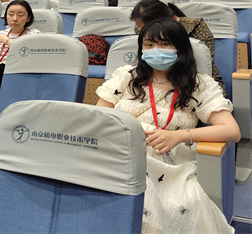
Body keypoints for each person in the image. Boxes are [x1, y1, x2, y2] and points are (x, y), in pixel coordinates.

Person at [96, 19, 239, 234]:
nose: (156, 50)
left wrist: (179, 136)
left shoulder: (198, 85)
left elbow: (231, 130)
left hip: (167, 159)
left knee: (157, 204)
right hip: (118, 152)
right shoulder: (127, 76)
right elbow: (98, 117)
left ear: (180, 48)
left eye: (164, 44)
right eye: (149, 44)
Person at [130, 0, 223, 89]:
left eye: (165, 44)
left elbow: (204, 61)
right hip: (153, 78)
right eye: (139, 27)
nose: (141, 31)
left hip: (190, 79)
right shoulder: (140, 30)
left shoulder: (196, 27)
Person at [0, 0, 41, 105]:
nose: (14, 19)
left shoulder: (34, 34)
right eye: (11, 14)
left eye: (20, 15)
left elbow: (26, 53)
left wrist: (6, 41)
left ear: (28, 18)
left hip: (20, 72)